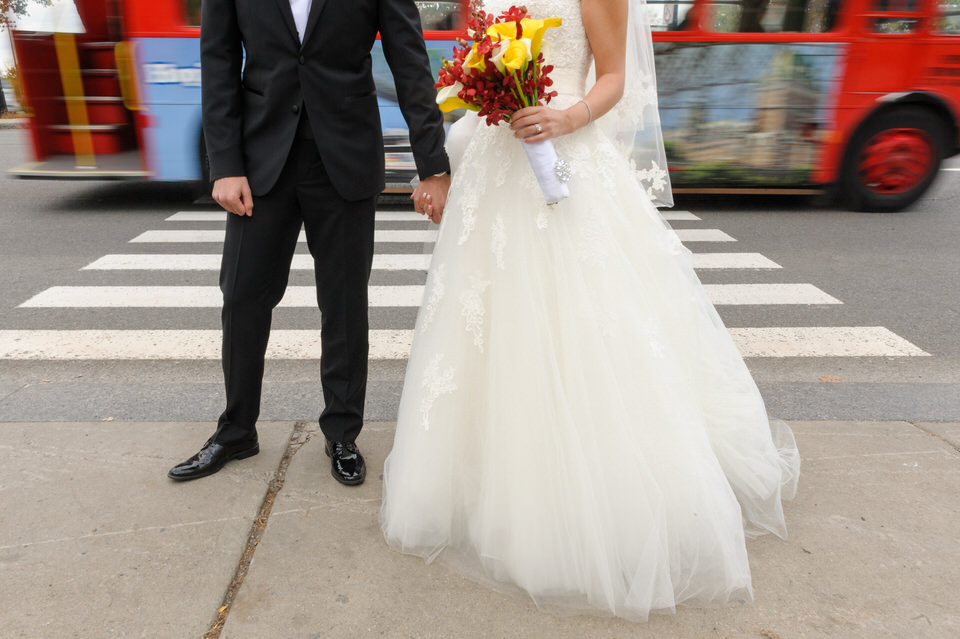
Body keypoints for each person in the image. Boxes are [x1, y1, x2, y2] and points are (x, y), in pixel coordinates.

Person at [381, 0, 800, 621]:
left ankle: (576, 501)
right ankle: (489, 489)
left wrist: (562, 116)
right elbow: (473, 61)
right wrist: (482, 94)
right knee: (483, 322)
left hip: (566, 158)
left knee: (583, 321)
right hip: (495, 166)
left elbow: (613, 79)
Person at [168, 0, 451, 484]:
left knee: (343, 302)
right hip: (260, 163)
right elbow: (217, 60)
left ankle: (342, 432)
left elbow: (409, 61)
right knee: (242, 296)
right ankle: (237, 430)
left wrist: (434, 166)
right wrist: (226, 163)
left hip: (344, 157)